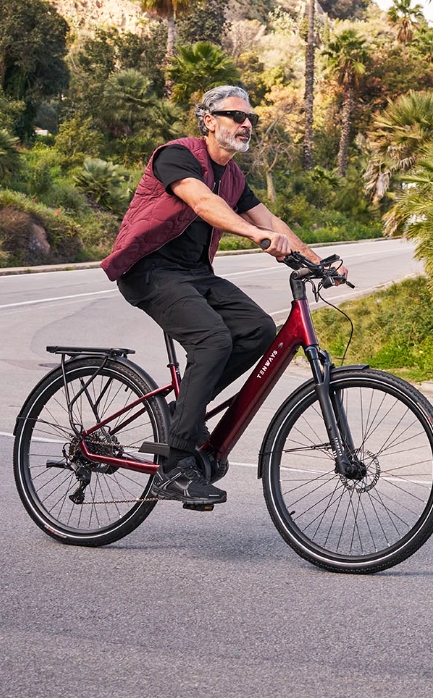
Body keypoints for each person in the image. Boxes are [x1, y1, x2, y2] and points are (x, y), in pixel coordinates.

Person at [100, 84, 345, 506]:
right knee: (212, 338)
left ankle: (183, 416)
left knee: (257, 330)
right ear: (209, 121)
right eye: (236, 116)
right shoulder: (175, 155)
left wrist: (319, 263)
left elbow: (270, 218)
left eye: (251, 119)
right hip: (149, 270)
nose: (246, 124)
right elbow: (201, 201)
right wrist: (255, 234)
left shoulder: (234, 177)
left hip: (194, 274)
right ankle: (175, 466)